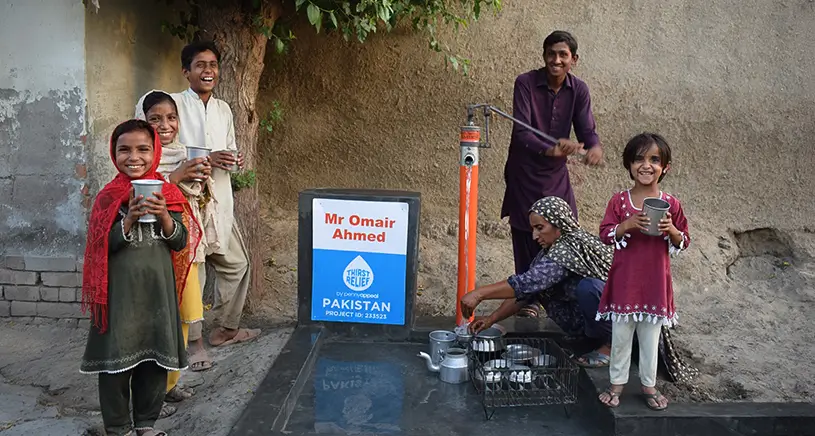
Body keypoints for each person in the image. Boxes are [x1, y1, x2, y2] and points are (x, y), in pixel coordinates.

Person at [79, 119, 200, 436]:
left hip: (157, 294)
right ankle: (117, 428)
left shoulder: (169, 194)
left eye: (143, 149)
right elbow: (102, 247)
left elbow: (180, 241)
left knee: (154, 361)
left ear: (155, 151)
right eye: (125, 150)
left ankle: (145, 425)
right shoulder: (108, 198)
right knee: (114, 364)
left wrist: (162, 214)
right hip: (119, 297)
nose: (134, 157)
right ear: (113, 153)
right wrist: (129, 218)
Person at [502, 30, 604, 319]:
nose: (556, 60)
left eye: (563, 55)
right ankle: (528, 299)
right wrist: (551, 150)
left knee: (564, 228)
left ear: (574, 60)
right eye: (551, 54)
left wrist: (594, 147)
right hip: (524, 170)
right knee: (525, 229)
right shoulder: (525, 83)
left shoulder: (579, 89)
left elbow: (586, 128)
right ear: (544, 56)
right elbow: (521, 132)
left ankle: (560, 292)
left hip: (555, 174)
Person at [171, 41, 260, 370]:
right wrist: (206, 157)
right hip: (187, 200)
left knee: (238, 263)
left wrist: (229, 159)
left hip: (219, 198)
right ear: (186, 72)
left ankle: (225, 329)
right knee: (194, 270)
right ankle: (193, 344)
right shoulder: (174, 105)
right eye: (199, 65)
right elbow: (163, 147)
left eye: (213, 64)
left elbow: (232, 153)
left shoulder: (223, 109)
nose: (208, 70)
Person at [136, 90, 221, 415]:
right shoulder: (140, 157)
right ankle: (149, 397)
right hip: (153, 251)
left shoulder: (185, 153)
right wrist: (175, 177)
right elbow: (143, 194)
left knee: (184, 317)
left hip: (187, 247)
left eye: (171, 117)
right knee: (158, 320)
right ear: (143, 121)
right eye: (155, 118)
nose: (165, 124)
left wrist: (200, 177)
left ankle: (170, 383)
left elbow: (196, 199)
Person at [595, 133, 690, 411]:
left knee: (651, 336)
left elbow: (684, 239)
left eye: (654, 159)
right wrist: (627, 225)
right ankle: (616, 384)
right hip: (625, 282)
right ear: (629, 165)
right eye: (638, 159)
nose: (646, 165)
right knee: (621, 335)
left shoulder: (671, 205)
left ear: (666, 167)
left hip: (655, 285)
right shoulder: (620, 202)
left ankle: (649, 384)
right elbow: (605, 233)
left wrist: (671, 230)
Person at [460, 196, 614, 366]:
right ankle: (589, 338)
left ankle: (611, 346)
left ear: (559, 224)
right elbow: (526, 292)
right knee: (543, 288)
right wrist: (491, 319)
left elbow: (527, 283)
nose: (534, 236)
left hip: (623, 319)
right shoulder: (549, 252)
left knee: (589, 288)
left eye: (540, 228)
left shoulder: (571, 247)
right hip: (594, 321)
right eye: (533, 229)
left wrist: (479, 294)